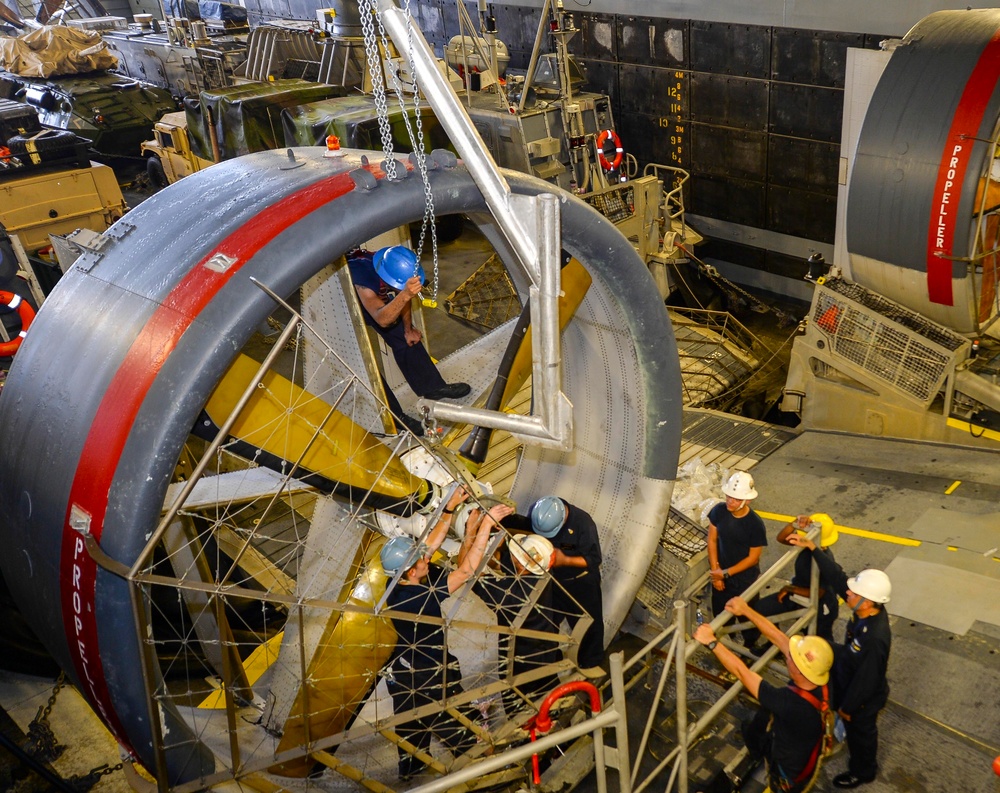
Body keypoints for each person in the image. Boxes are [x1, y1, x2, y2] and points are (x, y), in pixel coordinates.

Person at [380, 488, 514, 778]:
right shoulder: (418, 598)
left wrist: (450, 508)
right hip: (432, 677)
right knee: (460, 729)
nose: (427, 559)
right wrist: (486, 526)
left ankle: (412, 771)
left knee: (411, 730)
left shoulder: (396, 584)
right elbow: (465, 571)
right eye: (421, 562)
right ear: (410, 572)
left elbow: (429, 545)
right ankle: (489, 770)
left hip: (404, 676)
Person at [695, 596, 834, 793]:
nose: (788, 654)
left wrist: (711, 642)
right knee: (757, 723)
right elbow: (779, 637)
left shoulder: (788, 703)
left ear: (799, 669)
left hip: (788, 778)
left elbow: (742, 672)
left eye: (792, 656)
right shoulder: (818, 679)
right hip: (804, 753)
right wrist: (746, 610)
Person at [786, 534, 892, 790]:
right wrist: (813, 547)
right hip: (850, 666)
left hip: (864, 696)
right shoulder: (866, 609)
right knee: (817, 648)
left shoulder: (874, 638)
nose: (847, 594)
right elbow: (836, 575)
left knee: (861, 735)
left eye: (853, 594)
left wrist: (848, 708)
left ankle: (863, 771)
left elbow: (867, 679)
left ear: (867, 603)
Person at [347, 246, 471, 435]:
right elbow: (381, 318)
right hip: (347, 312)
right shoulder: (363, 278)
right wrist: (405, 294)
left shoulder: (391, 264)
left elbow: (401, 296)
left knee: (407, 339)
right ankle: (394, 418)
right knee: (362, 362)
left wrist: (408, 329)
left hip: (379, 304)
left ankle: (433, 388)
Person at [470, 527, 562, 714]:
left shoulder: (512, 594)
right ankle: (559, 717)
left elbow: (470, 577)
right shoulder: (541, 573)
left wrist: (472, 531)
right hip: (548, 649)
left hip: (521, 660)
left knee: (519, 704)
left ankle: (529, 734)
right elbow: (501, 563)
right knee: (551, 691)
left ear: (520, 564)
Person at [528, 495, 604, 676]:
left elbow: (594, 559)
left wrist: (565, 560)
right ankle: (552, 661)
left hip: (581, 584)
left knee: (588, 627)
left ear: (563, 519)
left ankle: (590, 665)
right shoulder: (538, 513)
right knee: (547, 623)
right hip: (554, 581)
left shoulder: (583, 524)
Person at [744, 513, 840, 652]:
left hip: (820, 606)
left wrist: (790, 590)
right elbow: (782, 538)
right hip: (798, 592)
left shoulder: (825, 561)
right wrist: (795, 523)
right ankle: (775, 644)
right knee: (761, 609)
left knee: (819, 645)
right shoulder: (807, 545)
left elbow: (818, 593)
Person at [707, 470, 767, 644]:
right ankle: (726, 641)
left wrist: (725, 573)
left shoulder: (754, 524)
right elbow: (711, 540)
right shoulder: (718, 511)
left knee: (748, 617)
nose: (730, 502)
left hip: (744, 580)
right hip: (721, 574)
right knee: (721, 613)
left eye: (736, 499)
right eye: (728, 497)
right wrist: (715, 570)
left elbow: (753, 558)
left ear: (747, 500)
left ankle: (750, 646)